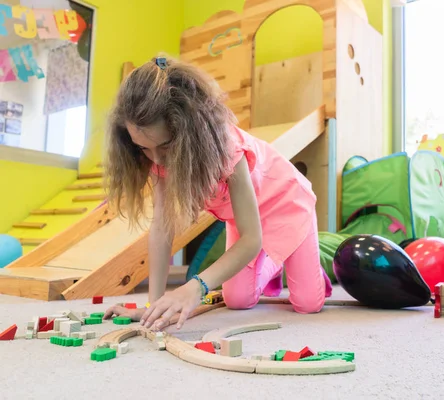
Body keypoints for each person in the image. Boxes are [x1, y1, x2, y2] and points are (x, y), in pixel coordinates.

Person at [102, 56, 332, 330]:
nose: (157, 160)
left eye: (163, 146)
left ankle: (295, 256)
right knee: (237, 300)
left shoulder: (228, 151)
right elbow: (162, 227)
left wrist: (195, 287)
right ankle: (274, 264)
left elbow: (251, 239)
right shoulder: (156, 158)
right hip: (245, 219)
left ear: (187, 129)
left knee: (308, 304)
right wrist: (155, 308)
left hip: (288, 204)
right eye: (143, 148)